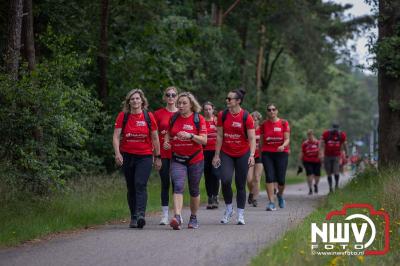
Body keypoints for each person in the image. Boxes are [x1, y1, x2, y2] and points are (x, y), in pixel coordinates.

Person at [113, 89, 162, 229]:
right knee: (131, 186)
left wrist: (158, 157)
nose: (135, 101)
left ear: (142, 101)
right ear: (129, 102)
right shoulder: (123, 116)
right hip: (127, 155)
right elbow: (116, 136)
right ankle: (133, 216)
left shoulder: (148, 116)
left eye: (137, 99)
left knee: (140, 184)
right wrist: (117, 153)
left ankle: (141, 215)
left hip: (145, 156)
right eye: (132, 99)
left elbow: (155, 138)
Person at [164, 92, 207, 230]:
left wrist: (190, 135)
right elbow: (168, 134)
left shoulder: (198, 119)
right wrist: (166, 143)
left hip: (195, 159)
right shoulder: (174, 117)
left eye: (184, 103)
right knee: (177, 186)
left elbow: (204, 140)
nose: (180, 106)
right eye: (179, 103)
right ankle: (177, 217)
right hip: (177, 158)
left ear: (191, 105)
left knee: (194, 189)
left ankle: (193, 217)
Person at [212, 89, 256, 225]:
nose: (227, 100)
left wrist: (252, 155)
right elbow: (219, 136)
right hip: (227, 152)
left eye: (229, 99)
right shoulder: (222, 115)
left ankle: (241, 214)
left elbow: (252, 138)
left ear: (238, 101)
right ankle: (229, 208)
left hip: (242, 153)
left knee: (240, 184)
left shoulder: (246, 117)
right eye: (227, 98)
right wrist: (217, 155)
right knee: (225, 180)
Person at [154, 86, 178, 225]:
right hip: (163, 153)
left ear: (177, 97)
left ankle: (176, 214)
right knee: (165, 183)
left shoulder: (181, 114)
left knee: (177, 184)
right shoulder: (157, 114)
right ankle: (164, 215)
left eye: (173, 95)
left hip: (178, 153)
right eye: (168, 95)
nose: (170, 97)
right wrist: (155, 156)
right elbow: (154, 136)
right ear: (164, 97)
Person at [260, 103, 290, 211]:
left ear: (277, 111)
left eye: (273, 109)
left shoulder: (283, 123)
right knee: (269, 176)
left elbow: (287, 139)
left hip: (281, 153)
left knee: (281, 179)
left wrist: (283, 146)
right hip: (267, 153)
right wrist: (259, 153)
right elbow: (261, 142)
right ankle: (271, 202)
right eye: (269, 110)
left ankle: (280, 195)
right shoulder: (263, 124)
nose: (271, 111)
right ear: (267, 112)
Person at [319, 123, 348, 192]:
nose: (335, 131)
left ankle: (336, 185)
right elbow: (322, 144)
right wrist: (321, 153)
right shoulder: (326, 134)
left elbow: (344, 144)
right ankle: (330, 187)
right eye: (334, 129)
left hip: (336, 156)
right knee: (328, 172)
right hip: (327, 156)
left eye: (336, 130)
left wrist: (346, 153)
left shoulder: (341, 135)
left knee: (336, 171)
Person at [203, 101, 219, 209]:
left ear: (213, 109)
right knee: (207, 175)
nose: (208, 111)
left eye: (210, 109)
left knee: (215, 174)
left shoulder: (217, 121)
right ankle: (209, 197)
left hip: (216, 152)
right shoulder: (201, 121)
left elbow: (221, 135)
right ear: (203, 111)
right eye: (206, 109)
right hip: (204, 151)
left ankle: (215, 196)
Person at [247, 111, 264, 207]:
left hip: (259, 156)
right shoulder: (248, 129)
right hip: (249, 155)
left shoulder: (262, 129)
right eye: (252, 119)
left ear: (258, 120)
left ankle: (254, 198)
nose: (254, 121)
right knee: (249, 179)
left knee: (257, 178)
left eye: (256, 119)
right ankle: (251, 192)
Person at [300, 129, 321, 195]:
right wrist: (300, 161)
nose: (309, 137)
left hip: (317, 161)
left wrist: (321, 156)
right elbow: (302, 152)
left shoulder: (317, 142)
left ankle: (316, 185)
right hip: (307, 161)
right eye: (308, 135)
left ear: (313, 135)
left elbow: (321, 151)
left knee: (317, 175)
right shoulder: (305, 144)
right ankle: (310, 189)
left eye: (311, 135)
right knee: (310, 174)